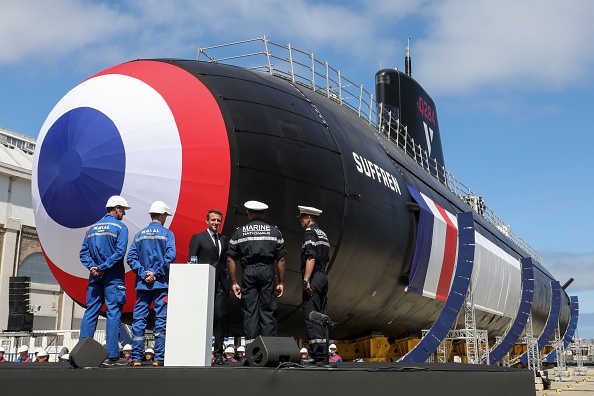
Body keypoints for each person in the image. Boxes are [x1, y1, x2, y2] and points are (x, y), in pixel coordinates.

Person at [79, 195, 130, 366]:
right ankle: (112, 355)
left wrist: (93, 267)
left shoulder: (91, 228)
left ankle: (82, 351)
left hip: (94, 277)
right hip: (113, 276)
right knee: (113, 313)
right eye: (123, 210)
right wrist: (104, 267)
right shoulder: (120, 227)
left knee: (91, 311)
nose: (123, 213)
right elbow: (119, 253)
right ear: (116, 209)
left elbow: (83, 253)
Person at [227, 201, 287, 343]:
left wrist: (234, 282)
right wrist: (281, 282)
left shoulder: (239, 232)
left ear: (249, 214)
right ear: (264, 214)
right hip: (267, 270)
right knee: (267, 309)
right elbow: (281, 259)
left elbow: (230, 258)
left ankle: (252, 350)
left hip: (248, 271)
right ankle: (269, 348)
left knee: (250, 310)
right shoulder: (274, 231)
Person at [128, 201, 176, 367]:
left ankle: (135, 358)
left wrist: (144, 273)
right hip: (161, 285)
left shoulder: (139, 235)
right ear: (162, 215)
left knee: (138, 320)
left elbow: (130, 258)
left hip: (142, 285)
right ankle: (158, 358)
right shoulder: (167, 234)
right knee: (160, 320)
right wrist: (156, 274)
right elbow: (170, 256)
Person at [188, 209, 230, 362]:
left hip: (220, 284)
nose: (216, 223)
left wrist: (229, 284)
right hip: (203, 282)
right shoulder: (198, 238)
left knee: (219, 316)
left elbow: (225, 262)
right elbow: (192, 260)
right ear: (207, 221)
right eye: (213, 220)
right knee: (201, 318)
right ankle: (198, 351)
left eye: (218, 220)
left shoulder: (224, 239)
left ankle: (218, 353)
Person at [298, 205, 330, 362]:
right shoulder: (323, 234)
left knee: (312, 315)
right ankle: (323, 353)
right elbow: (326, 261)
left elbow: (311, 257)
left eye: (302, 218)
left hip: (314, 277)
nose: (300, 221)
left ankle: (317, 355)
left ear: (308, 218)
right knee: (322, 314)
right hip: (323, 276)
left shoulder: (310, 233)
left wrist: (306, 280)